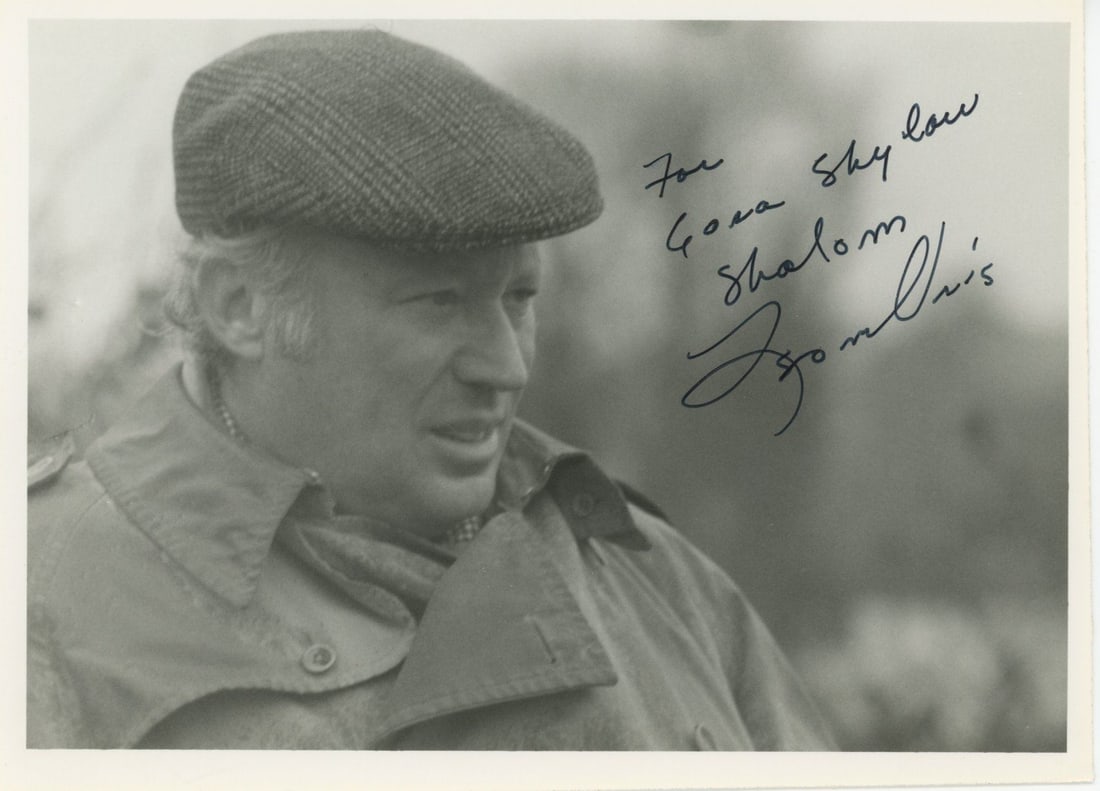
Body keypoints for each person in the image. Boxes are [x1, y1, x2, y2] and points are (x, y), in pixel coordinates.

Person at [27, 28, 833, 750]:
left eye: (519, 298)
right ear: (239, 306)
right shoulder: (40, 596)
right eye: (438, 302)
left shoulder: (661, 582)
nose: (507, 366)